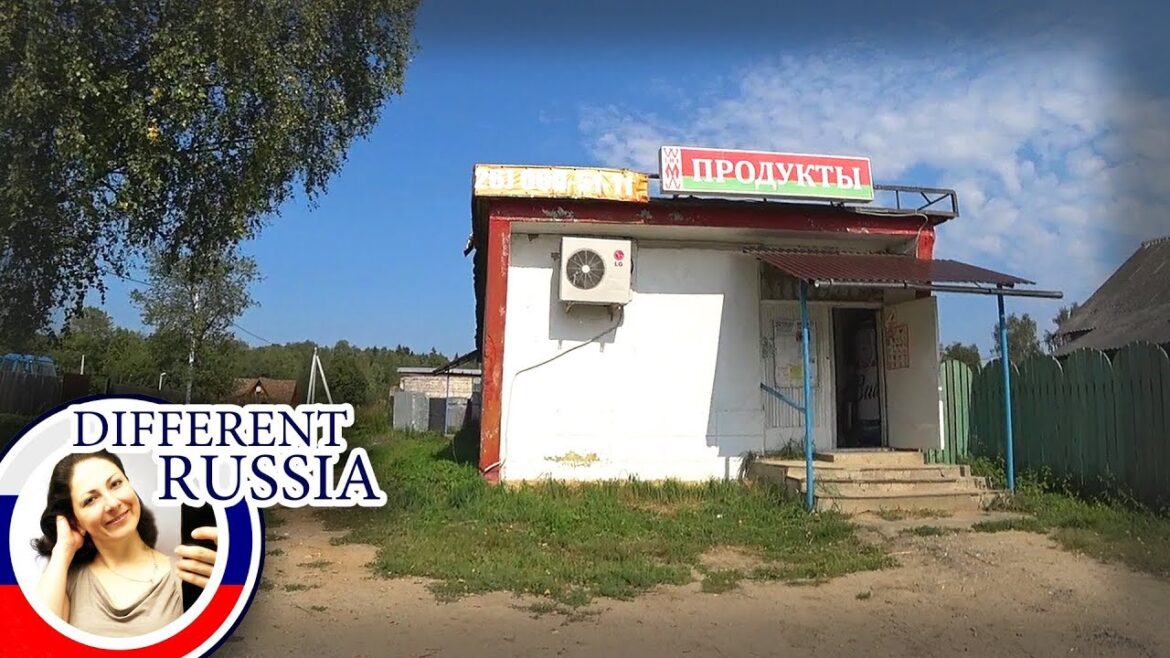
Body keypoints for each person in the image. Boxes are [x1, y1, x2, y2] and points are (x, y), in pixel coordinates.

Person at [31, 450, 219, 638]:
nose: (112, 503)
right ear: (75, 521)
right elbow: (37, 642)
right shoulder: (67, 579)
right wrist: (63, 549)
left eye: (115, 484)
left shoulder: (187, 574)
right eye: (90, 500)